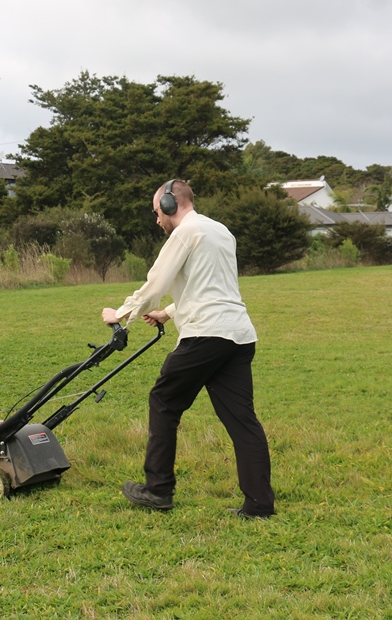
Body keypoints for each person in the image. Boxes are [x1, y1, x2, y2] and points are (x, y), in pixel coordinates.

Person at [101, 179, 276, 519]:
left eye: (157, 213)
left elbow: (155, 283)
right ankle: (259, 505)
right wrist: (167, 313)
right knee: (243, 422)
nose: (157, 221)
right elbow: (211, 287)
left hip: (205, 336)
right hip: (238, 337)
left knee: (164, 401)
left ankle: (158, 490)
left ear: (170, 205)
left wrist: (120, 314)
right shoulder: (221, 232)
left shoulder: (184, 232)